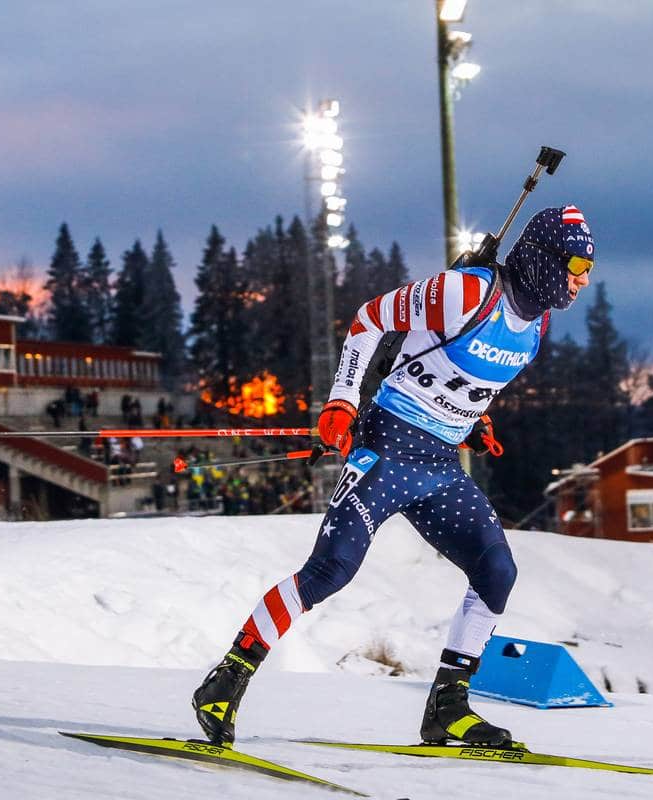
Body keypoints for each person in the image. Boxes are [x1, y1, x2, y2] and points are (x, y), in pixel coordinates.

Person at [192, 205, 596, 748]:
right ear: (545, 256)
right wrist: (341, 401)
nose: (583, 277)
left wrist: (473, 421)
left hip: (440, 466)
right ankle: (225, 681)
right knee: (330, 570)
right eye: (575, 263)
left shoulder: (538, 323)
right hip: (387, 449)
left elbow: (460, 375)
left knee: (497, 571)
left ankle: (447, 709)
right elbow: (368, 320)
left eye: (589, 268)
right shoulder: (467, 293)